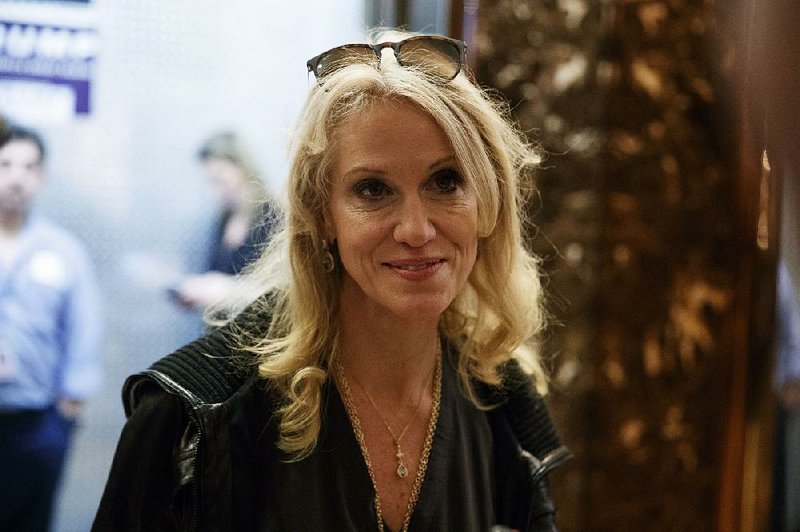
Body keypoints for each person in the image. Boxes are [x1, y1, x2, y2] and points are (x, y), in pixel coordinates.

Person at [94, 31, 570, 531]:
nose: (416, 229)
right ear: (322, 216)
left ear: (487, 201)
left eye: (446, 181)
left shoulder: (503, 403)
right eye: (373, 189)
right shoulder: (189, 419)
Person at [0, 122, 103, 531]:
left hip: (36, 422)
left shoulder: (63, 251)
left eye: (29, 167)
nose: (16, 178)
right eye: (5, 164)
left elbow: (85, 327)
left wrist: (67, 409)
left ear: (42, 177)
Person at [171, 131, 279, 312]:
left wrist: (229, 290)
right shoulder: (224, 220)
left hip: (258, 334)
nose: (215, 191)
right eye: (211, 182)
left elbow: (282, 291)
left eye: (220, 179)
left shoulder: (274, 216)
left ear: (243, 167)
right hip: (221, 331)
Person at [773, 261, 800, 531]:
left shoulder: (774, 272)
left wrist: (790, 385)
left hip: (772, 398)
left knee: (773, 484)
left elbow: (792, 333)